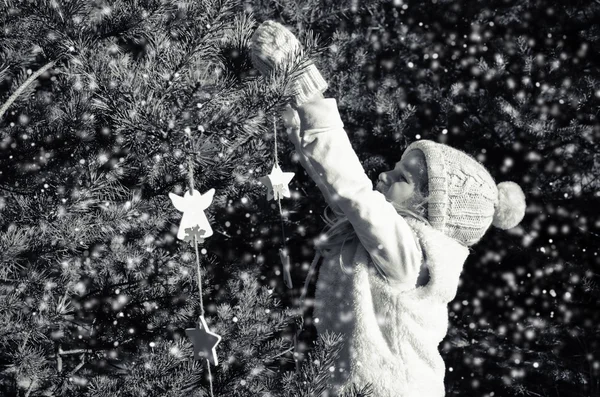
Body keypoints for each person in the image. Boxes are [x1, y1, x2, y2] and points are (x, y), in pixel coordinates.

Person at [250, 21, 526, 397]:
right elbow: (330, 179)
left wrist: (307, 92)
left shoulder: (409, 254)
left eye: (401, 178)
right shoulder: (394, 244)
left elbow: (352, 190)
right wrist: (292, 108)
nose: (384, 174)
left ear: (428, 209)